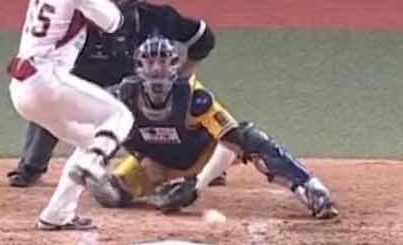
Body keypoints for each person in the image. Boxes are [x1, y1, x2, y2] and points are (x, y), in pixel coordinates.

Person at [89, 38, 340, 220]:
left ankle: (311, 189)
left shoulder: (195, 97)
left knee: (251, 138)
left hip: (202, 155)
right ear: (138, 67)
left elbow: (231, 140)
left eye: (163, 63)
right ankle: (171, 180)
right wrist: (141, 160)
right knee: (107, 194)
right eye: (150, 63)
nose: (157, 70)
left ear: (175, 66)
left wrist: (198, 185)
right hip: (156, 162)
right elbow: (101, 132)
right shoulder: (122, 97)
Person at [7, 0, 211, 184]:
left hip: (132, 87)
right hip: (80, 84)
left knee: (171, 98)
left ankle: (194, 164)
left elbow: (203, 39)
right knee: (51, 95)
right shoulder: (73, 20)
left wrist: (181, 77)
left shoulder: (154, 17)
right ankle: (31, 166)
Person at [6, 0, 133, 231]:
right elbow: (114, 22)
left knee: (90, 141)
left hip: (24, 86)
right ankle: (92, 166)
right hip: (47, 81)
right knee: (120, 116)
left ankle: (57, 214)